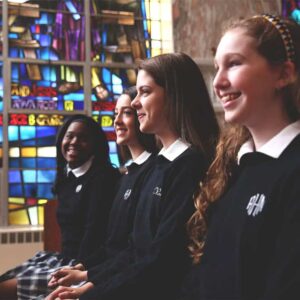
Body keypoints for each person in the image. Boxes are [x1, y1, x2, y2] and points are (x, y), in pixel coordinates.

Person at [46, 52, 220, 300]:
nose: (136, 102)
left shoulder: (189, 165)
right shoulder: (159, 165)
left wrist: (89, 292)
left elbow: (162, 261)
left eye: (145, 92)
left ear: (174, 96)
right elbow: (131, 250)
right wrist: (90, 278)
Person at [181, 14, 300, 300]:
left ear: (283, 74)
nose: (218, 82)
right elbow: (207, 273)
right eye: (218, 66)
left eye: (234, 64)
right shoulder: (236, 167)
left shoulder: (293, 171)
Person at [0, 114, 120, 300]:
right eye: (69, 136)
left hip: (82, 267)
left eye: (83, 138)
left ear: (95, 144)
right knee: (3, 281)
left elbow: (94, 233)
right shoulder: (67, 178)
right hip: (59, 258)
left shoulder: (102, 179)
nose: (74, 142)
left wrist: (77, 273)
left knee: (4, 290)